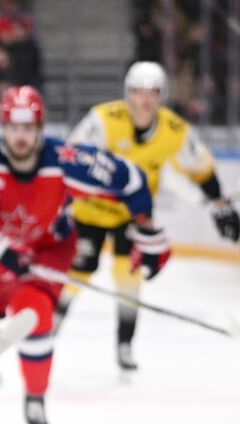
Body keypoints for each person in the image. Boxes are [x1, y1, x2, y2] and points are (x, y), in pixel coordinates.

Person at [0, 86, 170, 424]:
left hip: (49, 249)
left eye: (28, 128)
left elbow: (132, 180)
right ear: (2, 127)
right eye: (13, 128)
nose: (20, 137)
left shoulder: (64, 161)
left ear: (40, 128)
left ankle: (35, 395)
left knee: (36, 317)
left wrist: (147, 229)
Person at [63, 61, 239, 372]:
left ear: (162, 95)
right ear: (127, 94)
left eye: (153, 93)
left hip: (135, 217)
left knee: (129, 278)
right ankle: (49, 327)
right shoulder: (103, 120)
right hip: (91, 212)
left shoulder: (175, 131)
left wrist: (220, 205)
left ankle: (125, 344)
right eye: (138, 92)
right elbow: (71, 158)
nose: (145, 100)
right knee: (77, 274)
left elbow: (201, 169)